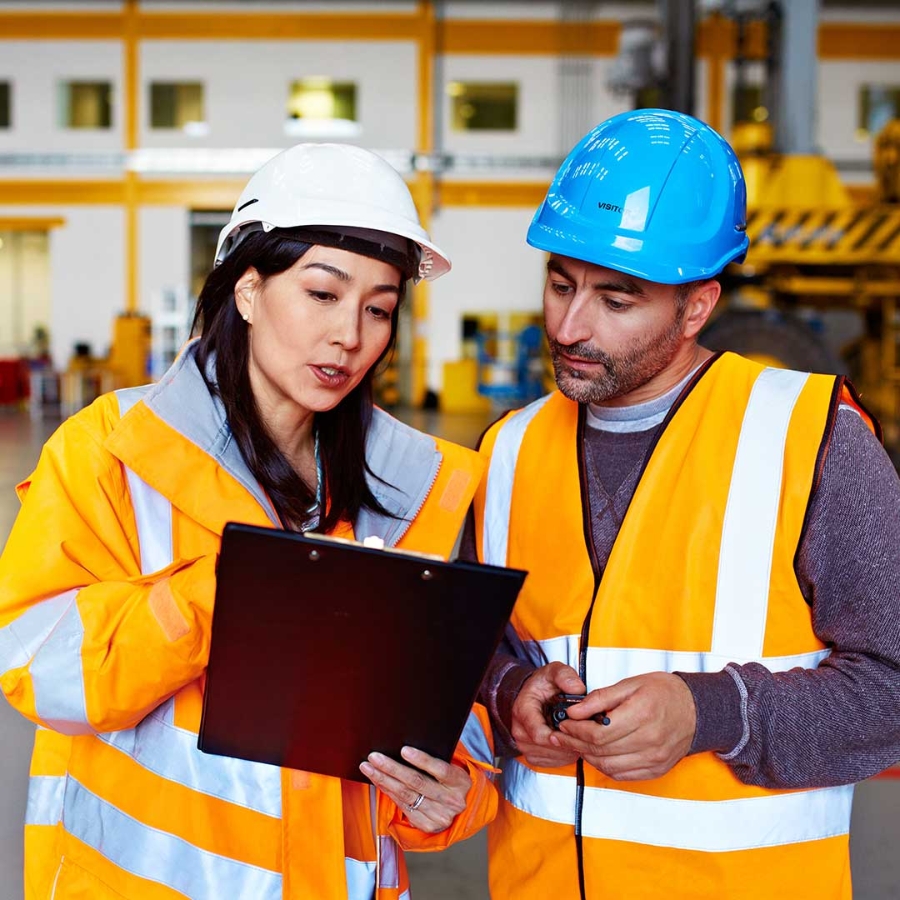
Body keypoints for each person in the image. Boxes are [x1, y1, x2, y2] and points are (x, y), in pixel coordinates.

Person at [0, 143, 498, 900]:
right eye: (322, 294)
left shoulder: (418, 491)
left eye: (379, 309)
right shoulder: (113, 451)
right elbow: (38, 668)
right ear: (248, 289)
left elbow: (445, 710)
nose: (350, 336)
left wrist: (449, 793)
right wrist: (224, 593)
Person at [471, 108, 900, 900]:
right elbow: (466, 644)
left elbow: (892, 690)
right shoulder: (506, 450)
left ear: (697, 307)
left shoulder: (813, 440)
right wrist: (506, 692)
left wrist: (710, 714)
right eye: (560, 284)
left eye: (617, 299)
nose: (570, 325)